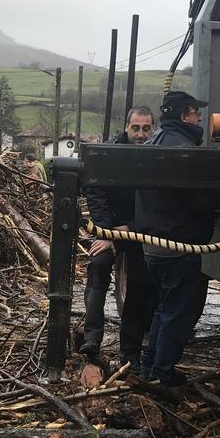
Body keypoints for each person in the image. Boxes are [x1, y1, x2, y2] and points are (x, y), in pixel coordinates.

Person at [135, 91, 214, 388]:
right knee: (179, 311)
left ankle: (150, 365)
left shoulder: (155, 142)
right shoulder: (183, 149)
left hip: (154, 246)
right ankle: (162, 375)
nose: (199, 118)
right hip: (177, 245)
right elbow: (196, 201)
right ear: (184, 116)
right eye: (196, 113)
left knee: (165, 307)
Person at [80, 106, 157, 368]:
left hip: (138, 231)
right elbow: (96, 192)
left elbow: (157, 204)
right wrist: (107, 233)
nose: (140, 134)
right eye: (136, 128)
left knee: (139, 283)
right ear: (127, 127)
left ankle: (130, 354)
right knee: (98, 266)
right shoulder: (111, 152)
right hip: (110, 229)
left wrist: (130, 229)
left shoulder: (158, 157)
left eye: (146, 128)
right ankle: (91, 339)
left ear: (153, 129)